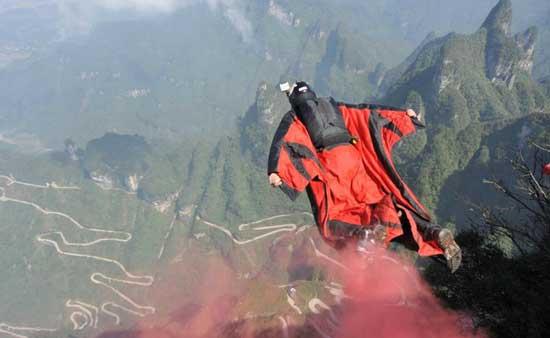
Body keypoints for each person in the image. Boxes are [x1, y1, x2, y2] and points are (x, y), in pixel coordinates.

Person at [267, 81, 462, 272]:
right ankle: (434, 232)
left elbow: (284, 141)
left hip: (332, 168)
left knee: (331, 221)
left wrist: (276, 172)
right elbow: (367, 112)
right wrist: (404, 116)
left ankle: (363, 233)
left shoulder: (295, 117)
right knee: (384, 206)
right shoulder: (334, 106)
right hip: (357, 164)